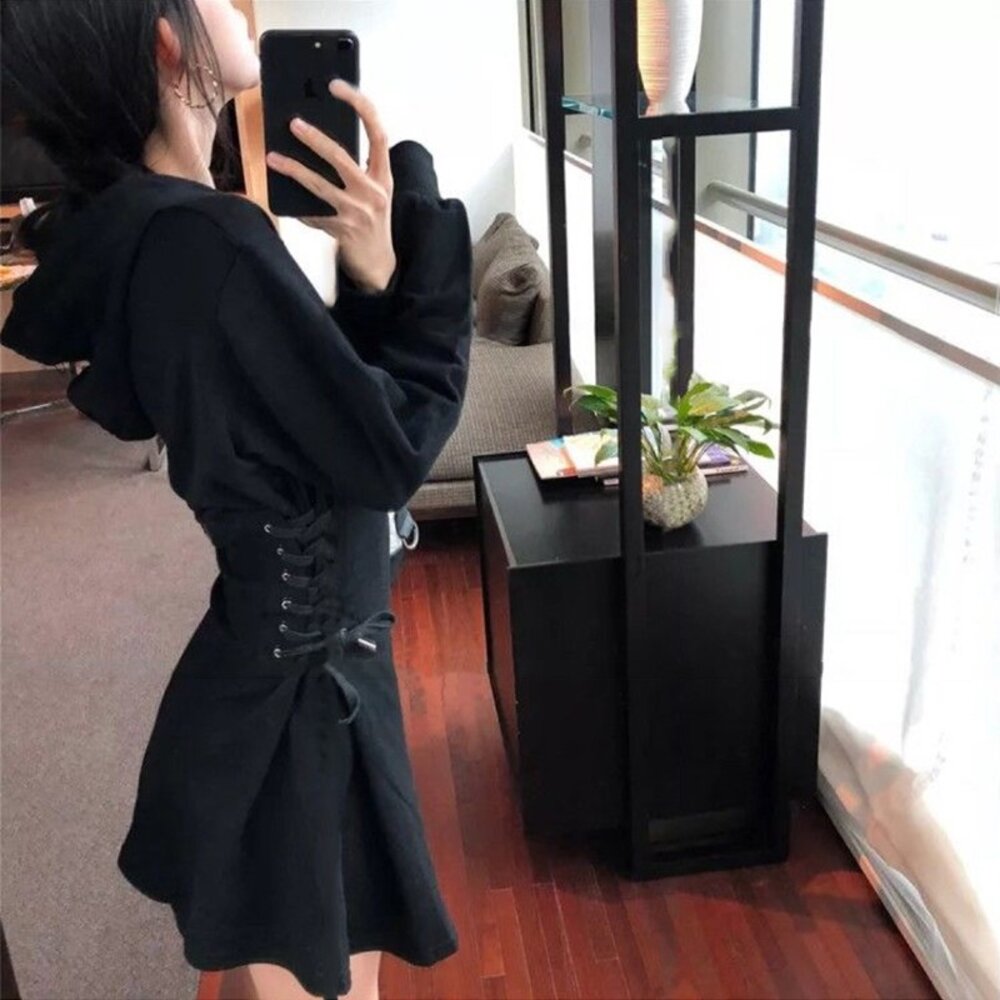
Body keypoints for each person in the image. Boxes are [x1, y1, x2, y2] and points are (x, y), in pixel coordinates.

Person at [0, 2, 472, 998]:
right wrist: (424, 268)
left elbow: (325, 429)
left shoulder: (160, 230)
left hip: (296, 670)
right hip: (300, 701)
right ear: (164, 39)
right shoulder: (205, 241)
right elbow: (388, 454)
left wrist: (374, 279)